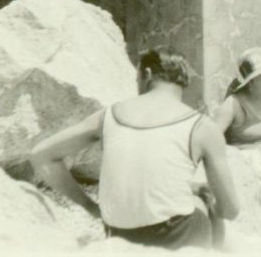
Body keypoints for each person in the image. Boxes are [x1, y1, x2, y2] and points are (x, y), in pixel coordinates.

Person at [30, 50, 239, 250]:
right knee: (205, 197)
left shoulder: (108, 115)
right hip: (178, 237)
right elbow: (231, 210)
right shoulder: (202, 126)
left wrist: (90, 207)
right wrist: (211, 204)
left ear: (146, 75)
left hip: (122, 236)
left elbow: (42, 155)